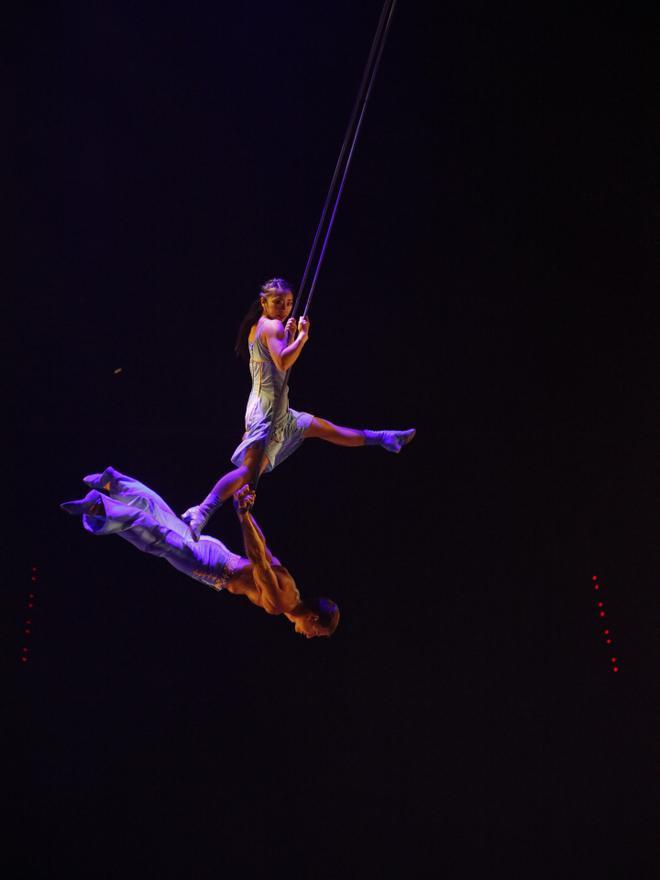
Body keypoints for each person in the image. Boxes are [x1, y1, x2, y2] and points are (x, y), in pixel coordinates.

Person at [182, 277, 416, 539]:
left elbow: (277, 362)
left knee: (325, 429)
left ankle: (383, 438)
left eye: (289, 303)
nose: (284, 308)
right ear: (264, 302)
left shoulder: (263, 326)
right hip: (267, 411)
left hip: (276, 408)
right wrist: (302, 338)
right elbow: (283, 363)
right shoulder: (271, 326)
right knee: (248, 472)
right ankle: (200, 512)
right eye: (278, 302)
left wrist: (291, 336)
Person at [60, 466, 339, 638]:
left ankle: (115, 483)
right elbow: (259, 562)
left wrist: (245, 514)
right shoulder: (281, 603)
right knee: (156, 540)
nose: (310, 636)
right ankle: (100, 507)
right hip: (215, 568)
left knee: (165, 521)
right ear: (314, 619)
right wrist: (242, 515)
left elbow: (264, 549)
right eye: (318, 633)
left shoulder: (291, 587)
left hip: (219, 554)